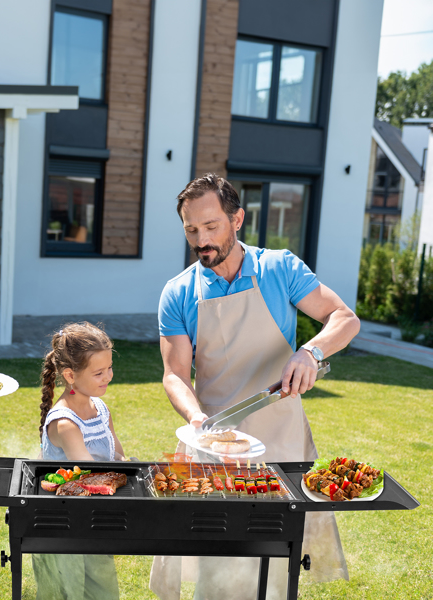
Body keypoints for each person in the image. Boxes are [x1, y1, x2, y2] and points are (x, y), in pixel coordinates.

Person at [150, 174, 360, 600]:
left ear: (237, 219)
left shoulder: (279, 267)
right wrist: (196, 418)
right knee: (219, 570)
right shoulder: (178, 292)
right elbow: (174, 374)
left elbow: (344, 318)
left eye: (211, 227)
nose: (201, 239)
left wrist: (311, 353)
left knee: (278, 570)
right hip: (216, 445)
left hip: (281, 438)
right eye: (192, 230)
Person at [33, 322, 125, 600]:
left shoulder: (100, 408)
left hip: (94, 519)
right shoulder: (65, 422)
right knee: (66, 592)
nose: (107, 376)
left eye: (109, 368)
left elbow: (117, 455)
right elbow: (89, 476)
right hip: (63, 524)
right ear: (70, 375)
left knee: (102, 590)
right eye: (98, 372)